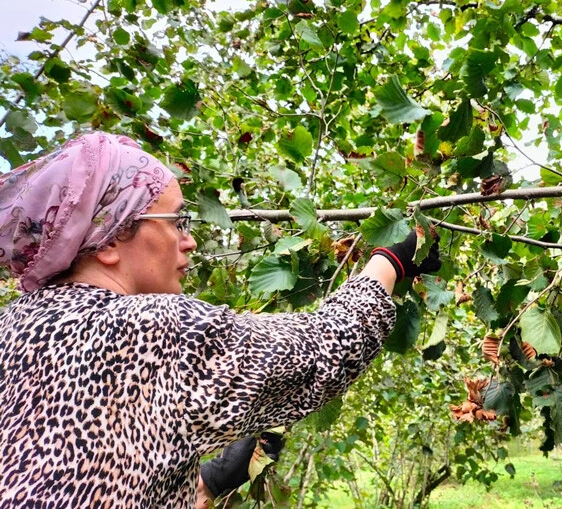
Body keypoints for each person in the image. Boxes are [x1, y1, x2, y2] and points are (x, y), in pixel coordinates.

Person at [0, 132, 441, 507]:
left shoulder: (14, 325)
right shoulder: (152, 329)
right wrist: (391, 260)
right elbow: (325, 346)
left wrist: (200, 484)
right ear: (110, 239)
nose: (189, 241)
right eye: (177, 221)